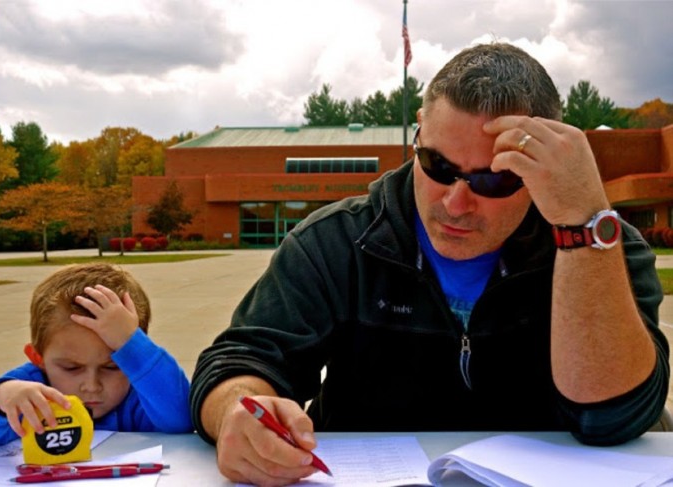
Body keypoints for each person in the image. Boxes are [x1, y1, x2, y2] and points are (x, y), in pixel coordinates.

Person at [190, 42, 670, 486]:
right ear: (418, 130)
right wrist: (238, 410)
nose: (456, 203)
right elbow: (243, 359)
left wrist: (580, 229)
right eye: (437, 166)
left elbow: (611, 415)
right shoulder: (339, 241)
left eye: (494, 181)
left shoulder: (600, 247)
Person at [0, 262, 193, 446]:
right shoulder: (32, 392)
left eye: (112, 367)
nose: (91, 386)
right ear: (38, 359)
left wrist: (131, 345)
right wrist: (0, 397)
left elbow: (183, 418)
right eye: (71, 368)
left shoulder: (141, 399)